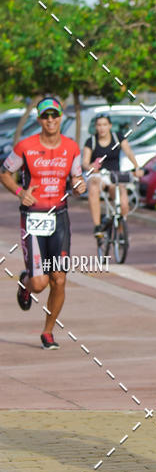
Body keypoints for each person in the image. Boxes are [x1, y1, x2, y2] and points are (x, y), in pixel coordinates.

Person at [0, 97, 85, 349]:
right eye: (45, 116)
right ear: (39, 119)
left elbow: (77, 177)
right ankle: (26, 283)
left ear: (60, 117)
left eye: (54, 115)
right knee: (39, 284)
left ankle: (48, 332)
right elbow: (5, 173)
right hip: (33, 219)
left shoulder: (71, 147)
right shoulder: (25, 146)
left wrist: (79, 186)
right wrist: (20, 192)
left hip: (59, 217)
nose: (50, 120)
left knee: (59, 279)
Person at [82, 115, 143, 239]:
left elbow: (129, 152)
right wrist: (90, 167)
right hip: (98, 175)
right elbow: (85, 162)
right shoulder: (91, 141)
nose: (102, 128)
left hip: (114, 175)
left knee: (123, 201)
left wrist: (137, 167)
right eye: (99, 125)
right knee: (93, 187)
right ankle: (97, 225)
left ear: (110, 126)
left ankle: (121, 230)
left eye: (104, 125)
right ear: (96, 127)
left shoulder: (117, 137)